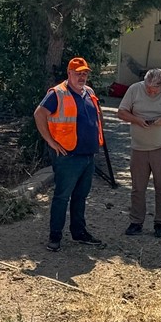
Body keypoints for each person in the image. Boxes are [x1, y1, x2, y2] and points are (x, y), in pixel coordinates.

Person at [33, 57, 106, 252]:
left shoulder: (89, 92)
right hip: (68, 156)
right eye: (78, 73)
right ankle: (55, 237)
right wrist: (50, 141)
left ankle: (79, 232)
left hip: (88, 155)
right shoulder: (57, 93)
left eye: (85, 73)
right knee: (62, 197)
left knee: (80, 196)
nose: (82, 77)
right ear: (69, 73)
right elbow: (39, 114)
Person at [116, 68, 161, 238]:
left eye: (155, 90)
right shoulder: (134, 89)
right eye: (148, 88)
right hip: (139, 148)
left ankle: (160, 224)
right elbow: (121, 112)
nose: (151, 92)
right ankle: (136, 222)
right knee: (137, 188)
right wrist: (136, 119)